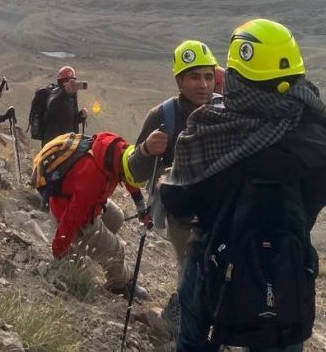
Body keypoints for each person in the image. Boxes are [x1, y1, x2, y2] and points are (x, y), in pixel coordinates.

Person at [160, 18, 326, 351]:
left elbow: (177, 202)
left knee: (193, 339)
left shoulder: (208, 130)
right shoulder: (321, 137)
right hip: (288, 263)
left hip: (210, 262)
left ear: (236, 77)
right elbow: (325, 191)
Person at [126, 41, 219, 328]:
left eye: (208, 76)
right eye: (194, 77)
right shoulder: (161, 117)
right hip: (182, 215)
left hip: (220, 209)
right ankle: (183, 323)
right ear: (179, 80)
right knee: (192, 268)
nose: (203, 84)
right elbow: (133, 173)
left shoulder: (226, 109)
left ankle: (197, 316)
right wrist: (144, 150)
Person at [48, 132, 148, 300]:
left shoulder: (119, 152)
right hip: (70, 213)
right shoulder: (92, 177)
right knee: (116, 250)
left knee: (117, 216)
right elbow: (73, 215)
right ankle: (119, 285)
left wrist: (141, 205)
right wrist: (59, 249)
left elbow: (130, 174)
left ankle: (94, 247)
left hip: (87, 202)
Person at [41, 66, 87, 145]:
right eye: (66, 81)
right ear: (60, 82)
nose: (70, 83)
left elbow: (72, 121)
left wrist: (81, 116)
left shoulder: (72, 97)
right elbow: (51, 108)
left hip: (68, 142)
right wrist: (65, 92)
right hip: (53, 143)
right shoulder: (54, 93)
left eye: (72, 81)